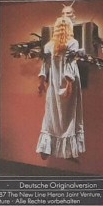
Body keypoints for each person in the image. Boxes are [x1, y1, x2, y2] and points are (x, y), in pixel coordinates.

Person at [37, 12, 84, 161]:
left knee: (52, 113)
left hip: (54, 83)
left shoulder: (49, 45)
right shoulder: (73, 43)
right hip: (68, 82)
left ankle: (48, 147)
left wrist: (41, 82)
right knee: (69, 115)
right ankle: (66, 149)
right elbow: (70, 64)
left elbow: (45, 65)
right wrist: (69, 83)